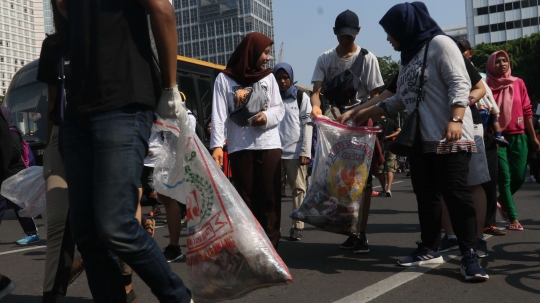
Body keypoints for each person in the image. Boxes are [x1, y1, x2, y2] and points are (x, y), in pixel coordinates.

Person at [63, 0, 192, 301]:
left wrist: (170, 88)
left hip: (123, 99)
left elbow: (162, 9)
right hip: (79, 107)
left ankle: (178, 297)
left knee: (116, 223)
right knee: (85, 231)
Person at [355, 2, 488, 281]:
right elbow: (400, 99)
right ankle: (429, 247)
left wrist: (455, 118)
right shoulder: (408, 58)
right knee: (427, 198)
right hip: (420, 141)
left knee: (456, 195)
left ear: (406, 28)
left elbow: (460, 82)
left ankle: (470, 256)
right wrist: (365, 111)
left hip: (449, 136)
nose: (389, 38)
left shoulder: (440, 44)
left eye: (391, 32)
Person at [310, 9, 384, 254]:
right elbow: (316, 92)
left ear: (358, 33)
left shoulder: (368, 58)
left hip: (360, 124)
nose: (346, 40)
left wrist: (363, 117)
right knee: (334, 178)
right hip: (334, 126)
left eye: (350, 36)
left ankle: (360, 232)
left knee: (361, 181)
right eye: (342, 36)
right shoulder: (325, 58)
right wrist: (316, 108)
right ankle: (346, 227)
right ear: (335, 33)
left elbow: (375, 97)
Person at [211, 32, 284, 248]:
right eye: (265, 53)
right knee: (245, 201)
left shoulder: (268, 77)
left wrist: (266, 117)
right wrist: (216, 145)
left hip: (269, 145)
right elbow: (218, 114)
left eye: (269, 54)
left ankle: (271, 251)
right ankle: (251, 249)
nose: (268, 58)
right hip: (240, 147)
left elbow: (279, 109)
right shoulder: (224, 79)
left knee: (270, 200)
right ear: (251, 53)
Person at [486, 50, 540, 231]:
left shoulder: (519, 83)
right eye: (498, 61)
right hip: (497, 137)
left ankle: (500, 201)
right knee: (505, 178)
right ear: (491, 65)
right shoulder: (485, 85)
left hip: (519, 136)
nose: (502, 64)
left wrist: (533, 137)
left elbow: (527, 111)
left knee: (518, 176)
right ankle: (513, 218)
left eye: (505, 61)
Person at [273, 62, 313, 241]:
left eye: (285, 77)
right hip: (273, 152)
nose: (282, 81)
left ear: (291, 78)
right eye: (279, 78)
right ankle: (273, 228)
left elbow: (308, 125)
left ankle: (297, 226)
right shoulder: (271, 98)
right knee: (272, 192)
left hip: (295, 153)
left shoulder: (299, 96)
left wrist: (305, 151)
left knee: (298, 190)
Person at [0, 106, 40, 246]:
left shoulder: (11, 133)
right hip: (7, 173)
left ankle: (32, 233)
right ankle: (31, 232)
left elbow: (15, 153)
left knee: (20, 204)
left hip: (15, 174)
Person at [373, 115, 400, 197]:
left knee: (380, 169)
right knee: (390, 169)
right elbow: (399, 130)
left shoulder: (375, 122)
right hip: (390, 147)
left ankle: (384, 189)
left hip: (379, 147)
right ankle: (389, 189)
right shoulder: (391, 121)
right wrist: (389, 136)